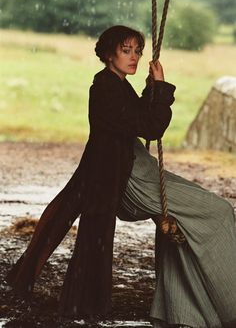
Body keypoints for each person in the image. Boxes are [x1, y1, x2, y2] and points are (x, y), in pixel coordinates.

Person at [6, 25, 176, 319]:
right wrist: (160, 88)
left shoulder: (116, 83)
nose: (134, 57)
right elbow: (150, 127)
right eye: (126, 51)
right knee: (93, 235)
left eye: (138, 51)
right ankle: (82, 304)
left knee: (62, 219)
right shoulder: (106, 87)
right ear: (110, 54)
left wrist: (152, 88)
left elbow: (140, 116)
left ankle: (27, 282)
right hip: (102, 172)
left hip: (99, 166)